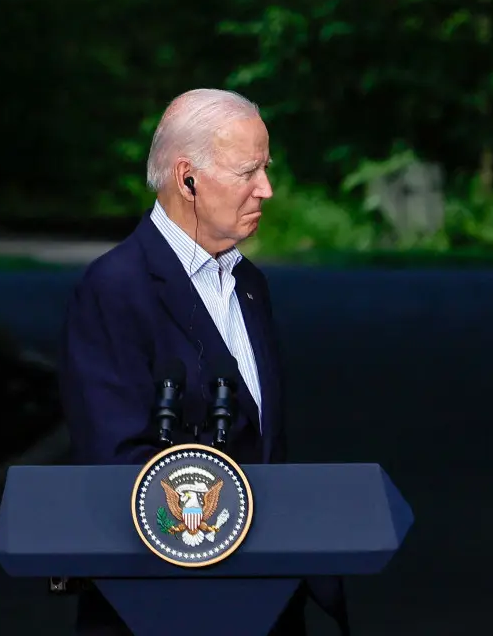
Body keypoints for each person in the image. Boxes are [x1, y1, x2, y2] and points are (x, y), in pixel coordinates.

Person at [57, 89, 348, 635]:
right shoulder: (114, 288)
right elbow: (114, 464)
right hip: (158, 609)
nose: (267, 189)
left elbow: (263, 447)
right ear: (187, 178)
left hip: (265, 603)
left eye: (266, 168)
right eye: (249, 171)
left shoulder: (250, 285)